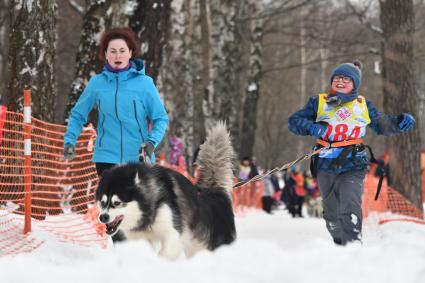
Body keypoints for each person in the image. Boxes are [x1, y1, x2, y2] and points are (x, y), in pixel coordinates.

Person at [288, 60, 415, 245]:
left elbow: (382, 125)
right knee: (331, 212)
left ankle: (353, 245)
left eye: (346, 79)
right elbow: (294, 121)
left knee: (349, 204)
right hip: (324, 164)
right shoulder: (320, 102)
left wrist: (400, 122)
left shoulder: (363, 105)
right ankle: (340, 244)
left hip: (353, 163)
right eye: (337, 78)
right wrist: (313, 128)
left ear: (354, 84)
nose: (340, 81)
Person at [63, 27, 169, 176]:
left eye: (122, 50)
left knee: (133, 199)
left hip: (138, 158)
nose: (117, 55)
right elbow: (78, 115)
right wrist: (70, 141)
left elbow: (161, 118)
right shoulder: (97, 84)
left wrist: (151, 143)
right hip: (106, 158)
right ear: (106, 54)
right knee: (111, 199)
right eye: (112, 51)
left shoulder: (144, 84)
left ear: (130, 53)